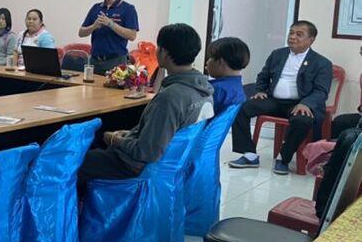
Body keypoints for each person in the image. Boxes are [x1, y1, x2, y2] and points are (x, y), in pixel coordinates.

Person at [76, 23, 214, 191]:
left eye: (159, 47)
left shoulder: (170, 97)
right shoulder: (203, 89)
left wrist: (115, 140)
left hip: (134, 166)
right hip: (168, 164)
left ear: (165, 53)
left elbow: (147, 152)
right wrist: (127, 136)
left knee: (70, 161)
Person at [229, 21, 333, 175]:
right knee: (240, 108)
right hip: (274, 101)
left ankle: (283, 158)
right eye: (291, 33)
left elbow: (321, 91)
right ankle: (249, 155)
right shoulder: (278, 54)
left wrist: (306, 103)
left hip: (299, 103)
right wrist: (260, 90)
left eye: (299, 34)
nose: (293, 37)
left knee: (303, 119)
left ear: (311, 40)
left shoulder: (322, 63)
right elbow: (263, 76)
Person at [78, 0, 139, 75]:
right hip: (94, 61)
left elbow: (132, 35)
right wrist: (94, 26)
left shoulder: (128, 9)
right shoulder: (96, 7)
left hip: (116, 61)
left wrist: (111, 24)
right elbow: (81, 33)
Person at [204, 37, 250, 115]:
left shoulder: (215, 90)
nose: (207, 62)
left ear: (220, 62)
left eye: (210, 58)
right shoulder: (237, 86)